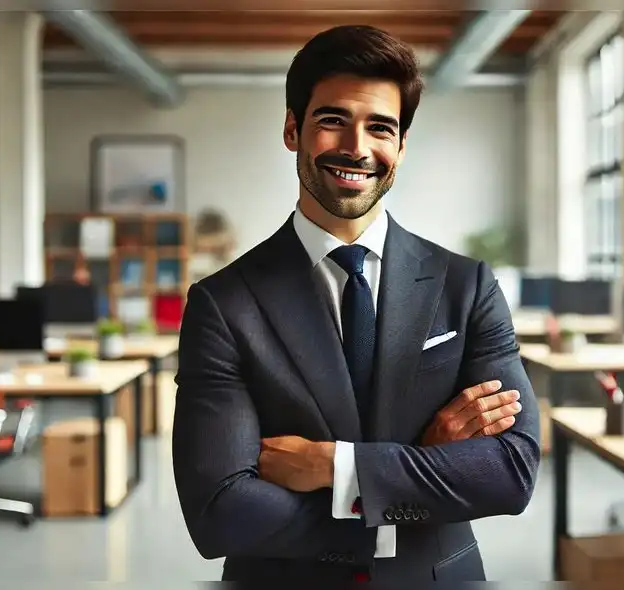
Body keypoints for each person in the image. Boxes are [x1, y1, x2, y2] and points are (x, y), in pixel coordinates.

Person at [171, 24, 541, 584]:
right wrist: (420, 472)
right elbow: (219, 510)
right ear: (293, 129)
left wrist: (337, 469)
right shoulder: (223, 304)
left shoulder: (467, 286)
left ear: (402, 146)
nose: (357, 148)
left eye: (380, 128)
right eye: (332, 120)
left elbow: (511, 472)